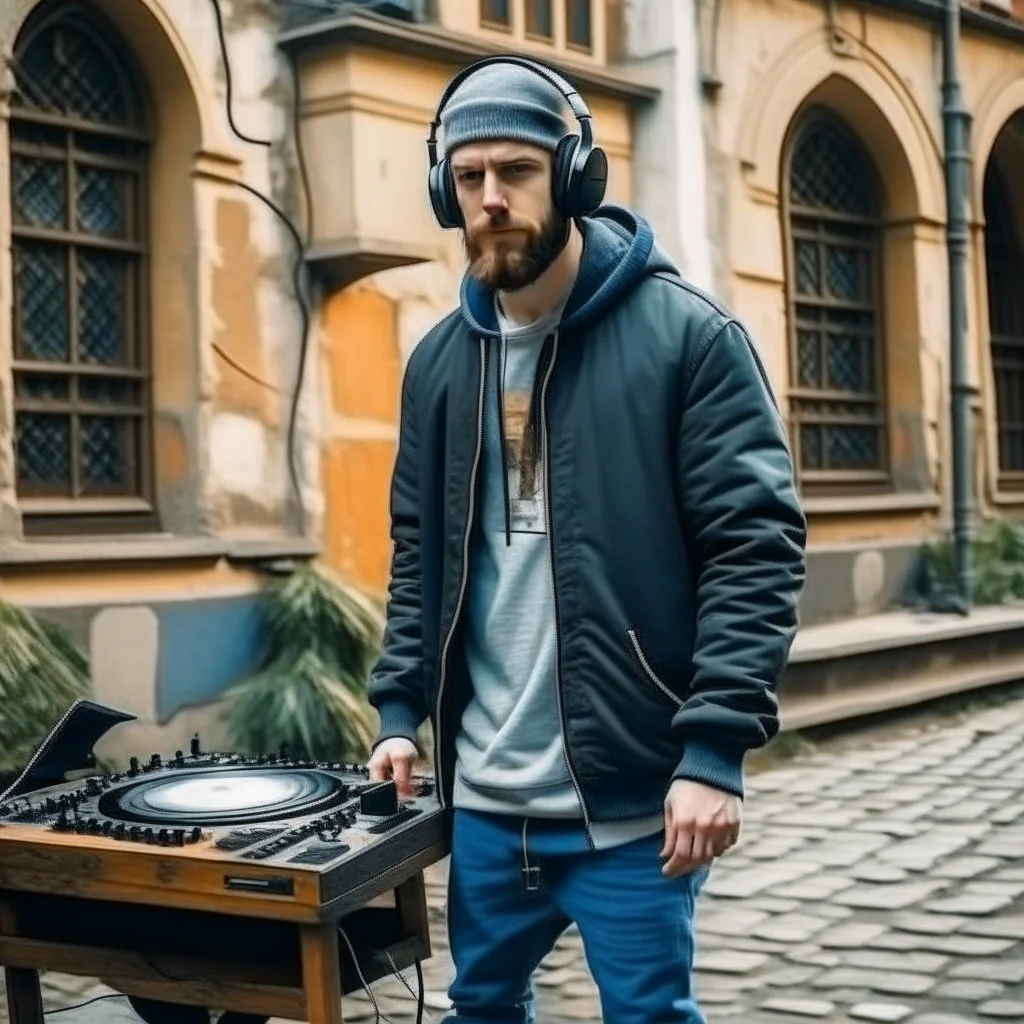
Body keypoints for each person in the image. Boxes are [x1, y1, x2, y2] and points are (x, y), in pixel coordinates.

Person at [367, 54, 807, 1024]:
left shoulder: (687, 338)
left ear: (573, 176)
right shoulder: (438, 365)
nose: (490, 198)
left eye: (515, 171)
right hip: (484, 801)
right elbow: (419, 556)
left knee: (646, 1014)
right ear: (446, 190)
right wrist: (399, 709)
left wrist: (713, 753)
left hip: (633, 805)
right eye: (469, 176)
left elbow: (755, 550)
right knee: (478, 1008)